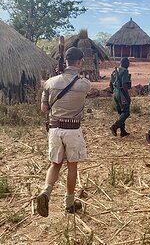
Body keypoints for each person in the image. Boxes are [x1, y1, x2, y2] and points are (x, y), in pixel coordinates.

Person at [37, 47, 91, 217]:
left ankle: (46, 192)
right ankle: (69, 202)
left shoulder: (49, 83)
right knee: (72, 165)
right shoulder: (84, 84)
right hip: (73, 130)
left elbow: (44, 109)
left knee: (55, 164)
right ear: (80, 62)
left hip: (54, 129)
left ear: (64, 61)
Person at [110, 57, 132, 137]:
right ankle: (114, 126)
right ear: (125, 63)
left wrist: (114, 92)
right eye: (128, 63)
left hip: (115, 93)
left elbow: (110, 85)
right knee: (126, 112)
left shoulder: (114, 71)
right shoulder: (125, 71)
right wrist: (127, 97)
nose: (129, 64)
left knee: (121, 113)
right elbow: (125, 85)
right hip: (122, 93)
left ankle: (122, 131)